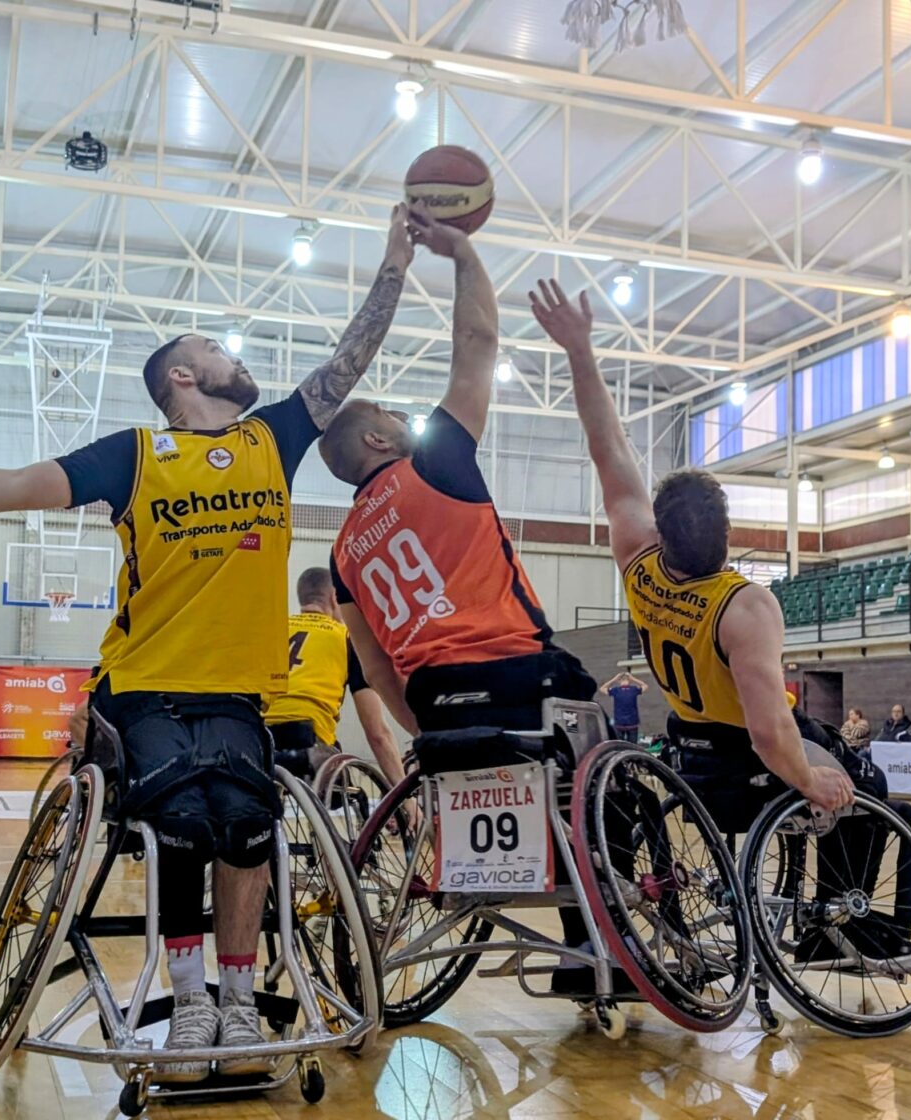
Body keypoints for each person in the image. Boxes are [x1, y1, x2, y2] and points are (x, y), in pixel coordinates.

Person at [0, 204, 415, 1083]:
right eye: (220, 352)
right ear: (185, 375)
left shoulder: (270, 438)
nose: (239, 362)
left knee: (245, 826)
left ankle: (238, 1004)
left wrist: (394, 260)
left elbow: (351, 358)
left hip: (237, 693)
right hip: (145, 688)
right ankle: (190, 1001)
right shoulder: (136, 454)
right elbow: (17, 484)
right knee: (185, 826)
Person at [319, 208, 597, 983]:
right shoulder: (435, 461)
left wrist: (436, 730)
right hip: (519, 673)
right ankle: (602, 934)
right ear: (377, 441)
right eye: (391, 416)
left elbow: (375, 673)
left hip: (439, 705)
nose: (405, 419)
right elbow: (476, 346)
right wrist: (465, 254)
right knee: (606, 753)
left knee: (526, 760)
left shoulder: (342, 553)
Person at [529, 277, 857, 818]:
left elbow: (606, 445)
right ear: (728, 534)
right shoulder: (746, 607)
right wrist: (811, 780)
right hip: (747, 760)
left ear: (661, 533)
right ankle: (856, 904)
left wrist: (580, 351)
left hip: (690, 751)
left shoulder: (638, 558)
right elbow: (771, 735)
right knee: (879, 801)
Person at [265, 566, 405, 783]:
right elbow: (377, 733)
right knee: (351, 793)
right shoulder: (347, 638)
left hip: (261, 743)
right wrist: (406, 798)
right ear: (334, 597)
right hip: (308, 745)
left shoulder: (273, 632)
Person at [600, 669, 648, 742]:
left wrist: (614, 679)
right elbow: (645, 686)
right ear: (629, 680)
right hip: (632, 723)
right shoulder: (634, 690)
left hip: (619, 723)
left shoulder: (615, 690)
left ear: (619, 681)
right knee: (632, 746)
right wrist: (633, 678)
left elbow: (602, 688)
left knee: (620, 746)